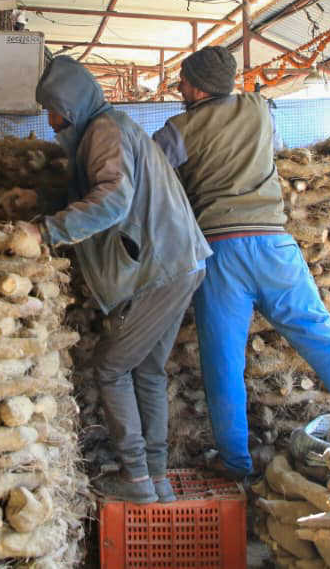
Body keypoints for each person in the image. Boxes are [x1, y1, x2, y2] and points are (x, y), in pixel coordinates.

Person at [153, 46, 330, 480]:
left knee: (223, 362)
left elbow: (147, 172)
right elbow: (274, 150)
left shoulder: (178, 128)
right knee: (320, 334)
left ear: (197, 86)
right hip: (275, 246)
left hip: (223, 253)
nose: (179, 87)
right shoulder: (258, 108)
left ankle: (236, 463)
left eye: (182, 80)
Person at [35, 56, 210, 504]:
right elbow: (102, 190)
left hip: (160, 270)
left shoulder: (104, 131)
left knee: (111, 368)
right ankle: (157, 481)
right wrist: (42, 201)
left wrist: (46, 231)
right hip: (179, 262)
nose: (50, 120)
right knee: (148, 371)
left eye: (53, 109)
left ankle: (137, 480)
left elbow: (112, 201)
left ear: (71, 106)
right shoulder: (113, 127)